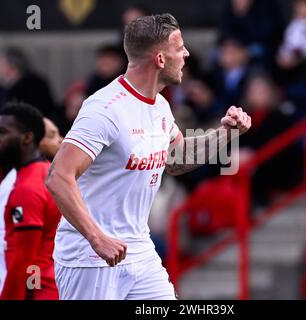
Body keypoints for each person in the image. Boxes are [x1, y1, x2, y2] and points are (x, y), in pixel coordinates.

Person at [46, 13, 251, 300]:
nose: (187, 54)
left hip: (139, 251)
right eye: (180, 48)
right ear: (160, 60)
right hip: (90, 257)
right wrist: (97, 238)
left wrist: (226, 133)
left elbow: (176, 160)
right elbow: (58, 177)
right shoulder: (104, 108)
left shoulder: (159, 107)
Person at [0, 103, 61, 300]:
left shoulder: (27, 188)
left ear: (27, 138)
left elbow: (25, 261)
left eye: (2, 132)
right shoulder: (48, 173)